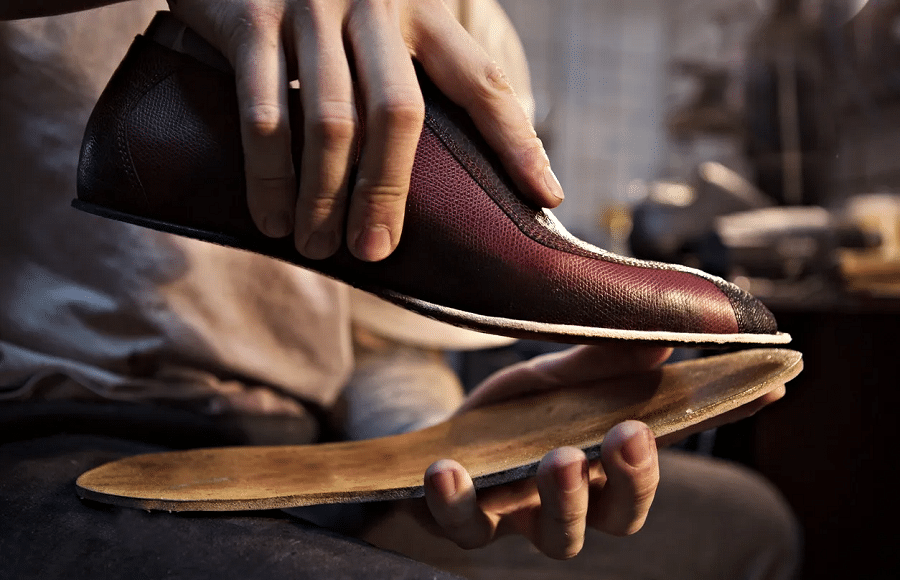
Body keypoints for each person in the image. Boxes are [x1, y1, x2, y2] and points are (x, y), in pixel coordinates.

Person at [0, 1, 800, 577]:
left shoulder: (449, 21)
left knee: (745, 522)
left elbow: (384, 348)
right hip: (50, 421)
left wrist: (440, 449)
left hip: (304, 452)